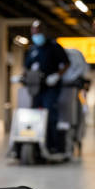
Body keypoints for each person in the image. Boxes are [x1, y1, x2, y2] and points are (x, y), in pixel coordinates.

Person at [24, 20, 70, 153]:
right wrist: (22, 76)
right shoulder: (33, 49)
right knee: (34, 114)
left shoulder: (54, 47)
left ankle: (53, 145)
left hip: (51, 87)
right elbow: (26, 67)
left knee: (49, 113)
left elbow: (66, 63)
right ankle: (36, 143)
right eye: (33, 32)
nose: (35, 35)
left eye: (37, 32)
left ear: (44, 32)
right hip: (36, 87)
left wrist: (56, 76)